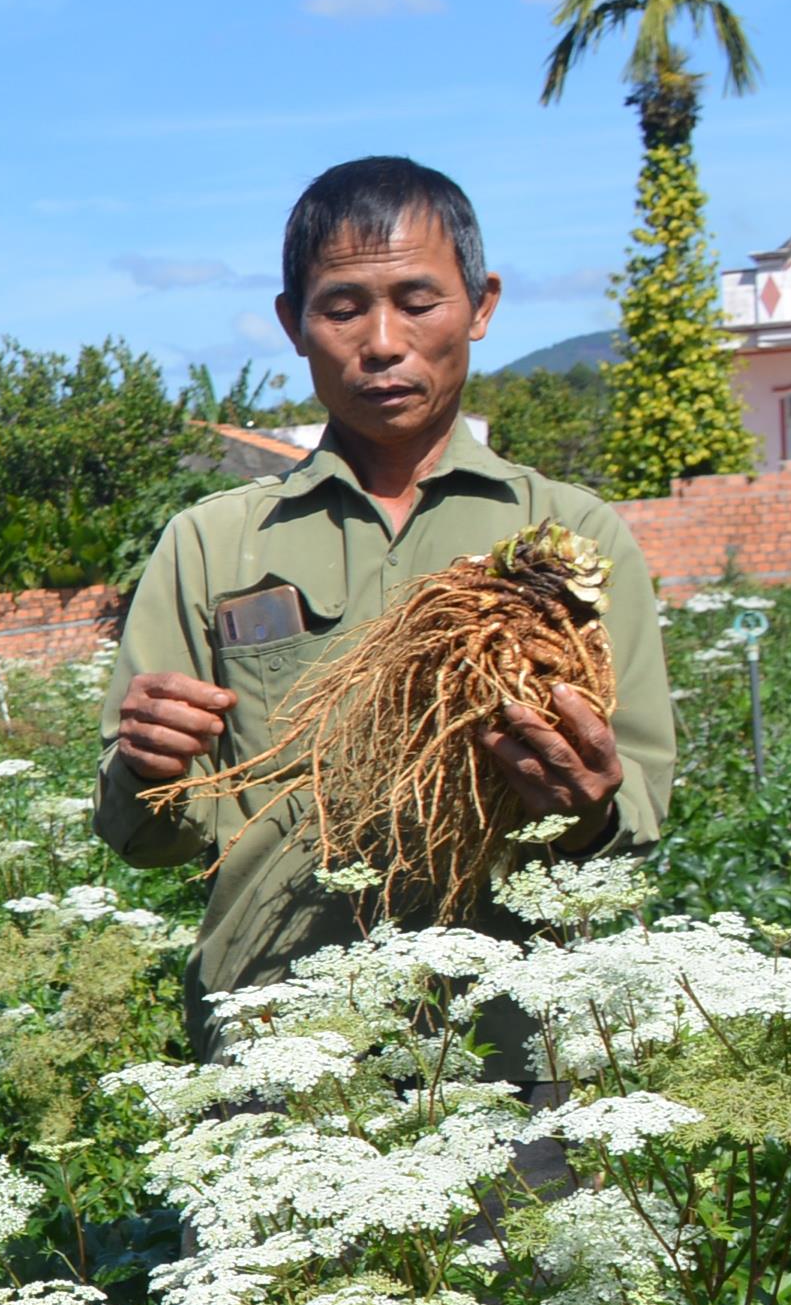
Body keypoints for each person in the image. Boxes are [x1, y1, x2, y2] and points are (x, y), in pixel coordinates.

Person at [96, 157, 677, 1025]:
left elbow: (637, 806)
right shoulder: (210, 545)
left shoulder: (574, 537)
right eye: (342, 308)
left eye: (417, 301)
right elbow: (145, 837)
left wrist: (590, 806)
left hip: (516, 1030)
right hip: (280, 1022)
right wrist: (147, 768)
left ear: (481, 306)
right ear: (294, 323)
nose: (380, 342)